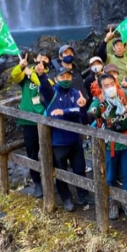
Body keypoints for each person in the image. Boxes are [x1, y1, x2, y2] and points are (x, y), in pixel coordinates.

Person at [38, 65, 92, 212]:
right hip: (58, 141)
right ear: (56, 79)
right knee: (60, 171)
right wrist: (42, 75)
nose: (66, 79)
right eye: (62, 77)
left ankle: (83, 194)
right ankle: (66, 198)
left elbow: (81, 115)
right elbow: (44, 88)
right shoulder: (52, 94)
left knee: (80, 168)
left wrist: (69, 110)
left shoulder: (76, 93)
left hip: (75, 139)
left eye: (68, 76)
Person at [88, 73, 127, 220]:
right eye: (106, 86)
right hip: (110, 144)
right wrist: (90, 111)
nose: (110, 88)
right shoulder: (100, 101)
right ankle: (113, 202)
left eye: (112, 84)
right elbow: (93, 110)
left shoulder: (124, 94)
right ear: (101, 88)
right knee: (110, 176)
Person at [10, 51, 51, 198]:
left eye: (45, 58)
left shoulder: (48, 78)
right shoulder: (26, 76)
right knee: (32, 152)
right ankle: (37, 182)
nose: (41, 60)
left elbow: (43, 84)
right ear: (35, 59)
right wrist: (20, 67)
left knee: (50, 150)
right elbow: (15, 76)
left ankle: (53, 179)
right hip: (28, 120)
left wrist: (31, 73)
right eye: (39, 57)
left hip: (45, 120)